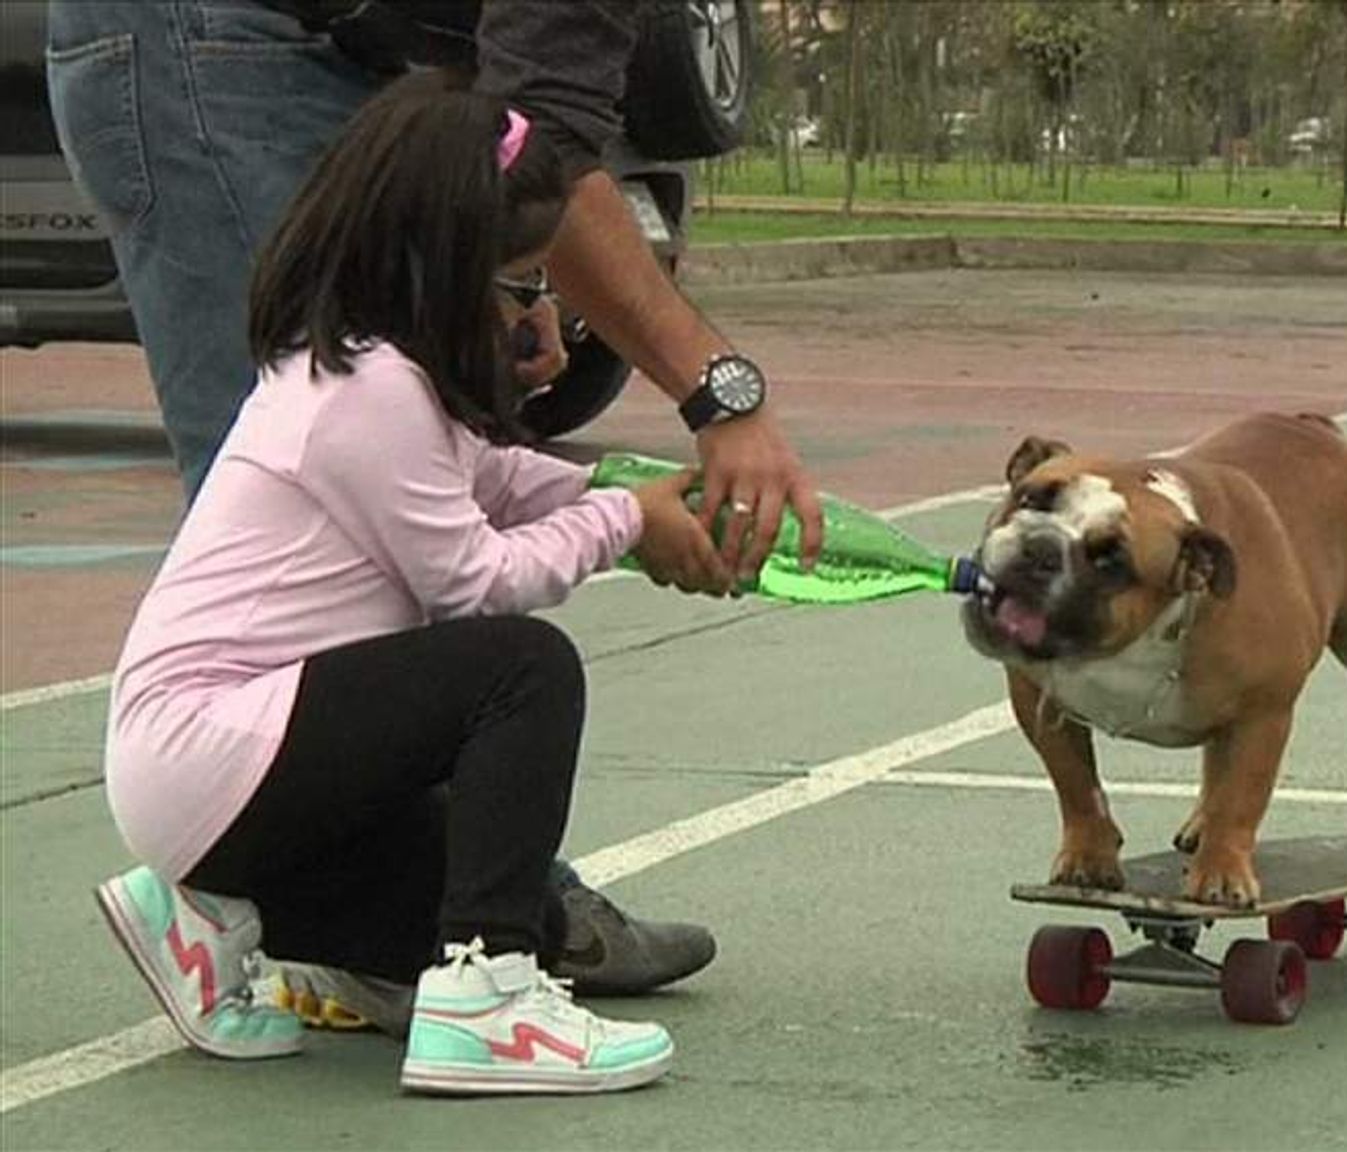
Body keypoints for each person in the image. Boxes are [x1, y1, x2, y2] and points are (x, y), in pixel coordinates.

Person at [45, 0, 821, 1017]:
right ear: (450, 265)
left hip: (205, 773)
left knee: (469, 892)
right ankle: (488, 999)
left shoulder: (398, 381)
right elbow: (472, 583)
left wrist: (622, 490)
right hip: (209, 29)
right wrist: (658, 481)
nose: (537, 314)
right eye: (515, 281)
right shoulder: (370, 391)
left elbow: (498, 479)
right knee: (517, 670)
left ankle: (224, 915)